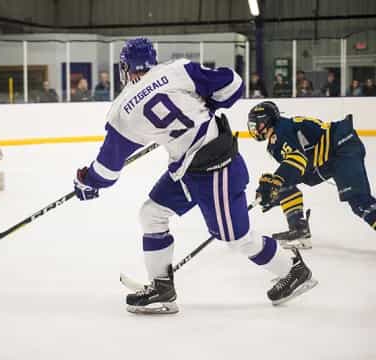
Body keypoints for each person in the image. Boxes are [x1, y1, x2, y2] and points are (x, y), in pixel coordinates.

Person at [72, 38, 317, 314]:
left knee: (238, 238)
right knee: (152, 214)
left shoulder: (123, 111)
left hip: (215, 171)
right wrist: (208, 103)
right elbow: (233, 85)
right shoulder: (177, 70)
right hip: (194, 166)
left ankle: (293, 270)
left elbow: (106, 170)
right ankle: (161, 289)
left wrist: (87, 182)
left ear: (125, 68)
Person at [247, 101, 376, 249]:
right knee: (284, 181)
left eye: (256, 124)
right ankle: (299, 229)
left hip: (341, 146)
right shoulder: (276, 138)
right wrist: (274, 191)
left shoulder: (281, 130)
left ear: (266, 121)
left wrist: (276, 181)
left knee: (359, 201)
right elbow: (294, 169)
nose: (254, 128)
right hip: (330, 156)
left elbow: (297, 159)